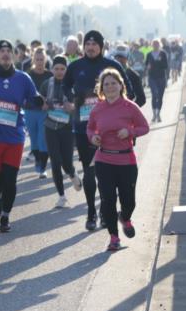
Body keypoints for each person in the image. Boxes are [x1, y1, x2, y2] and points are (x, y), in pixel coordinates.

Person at [62, 30, 139, 232]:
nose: (90, 46)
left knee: (106, 176)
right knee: (89, 171)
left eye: (95, 44)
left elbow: (130, 92)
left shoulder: (113, 66)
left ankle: (107, 213)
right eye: (87, 43)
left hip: (112, 133)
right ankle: (91, 213)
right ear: (83, 46)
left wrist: (124, 118)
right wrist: (70, 100)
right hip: (84, 128)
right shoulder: (76, 66)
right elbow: (65, 86)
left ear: (102, 46)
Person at [0, 40, 41, 232]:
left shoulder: (23, 78)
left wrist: (37, 101)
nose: (5, 54)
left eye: (8, 51)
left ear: (13, 55)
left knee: (10, 179)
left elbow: (32, 99)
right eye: (1, 51)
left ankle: (5, 216)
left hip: (14, 137)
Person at [87, 68, 150, 251]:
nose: (110, 87)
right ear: (101, 88)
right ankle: (114, 238)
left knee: (128, 200)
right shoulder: (97, 109)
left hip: (126, 160)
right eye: (106, 84)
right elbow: (90, 129)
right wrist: (93, 137)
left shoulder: (130, 107)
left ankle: (126, 217)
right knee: (107, 199)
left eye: (113, 83)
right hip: (104, 158)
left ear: (121, 85)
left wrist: (129, 132)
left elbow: (144, 127)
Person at [39, 56, 82, 208]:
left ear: (67, 70)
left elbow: (81, 106)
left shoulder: (73, 85)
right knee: (55, 162)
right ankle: (62, 196)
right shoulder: (46, 84)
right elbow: (40, 101)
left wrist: (72, 108)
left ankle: (72, 173)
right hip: (50, 126)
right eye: (56, 69)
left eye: (62, 69)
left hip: (67, 128)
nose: (59, 72)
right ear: (52, 70)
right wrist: (43, 105)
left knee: (67, 162)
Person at [24, 47, 53, 178]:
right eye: (37, 59)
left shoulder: (49, 75)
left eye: (42, 59)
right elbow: (23, 93)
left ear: (45, 59)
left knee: (43, 139)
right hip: (30, 111)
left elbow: (55, 93)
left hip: (44, 112)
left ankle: (42, 168)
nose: (40, 62)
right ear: (33, 59)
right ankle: (37, 160)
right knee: (34, 140)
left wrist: (48, 103)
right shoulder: (27, 74)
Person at [145, 39, 169, 123]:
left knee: (160, 96)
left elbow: (166, 66)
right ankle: (154, 114)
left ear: (160, 45)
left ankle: (158, 114)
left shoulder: (163, 54)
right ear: (152, 45)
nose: (155, 45)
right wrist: (148, 67)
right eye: (154, 44)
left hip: (161, 77)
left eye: (157, 44)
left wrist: (158, 62)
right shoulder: (149, 54)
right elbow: (146, 64)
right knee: (155, 94)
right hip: (152, 78)